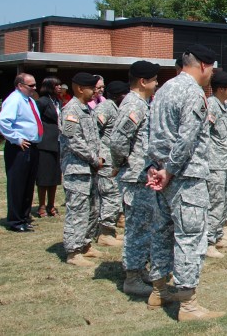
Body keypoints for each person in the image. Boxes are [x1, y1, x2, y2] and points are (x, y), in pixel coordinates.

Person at [146, 44, 225, 321]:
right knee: (190, 239)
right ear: (203, 65)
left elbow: (151, 133)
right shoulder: (192, 92)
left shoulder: (164, 89)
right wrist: (168, 169)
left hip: (161, 177)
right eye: (212, 68)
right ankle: (188, 305)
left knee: (161, 233)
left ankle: (158, 291)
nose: (212, 73)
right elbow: (187, 139)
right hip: (185, 178)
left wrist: (153, 168)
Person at [110, 60, 160, 297]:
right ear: (143, 81)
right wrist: (124, 163)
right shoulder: (134, 105)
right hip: (135, 178)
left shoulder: (142, 104)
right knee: (137, 228)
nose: (157, 83)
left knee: (146, 226)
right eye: (154, 79)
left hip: (143, 176)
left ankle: (140, 270)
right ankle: (132, 276)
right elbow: (118, 141)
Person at [60, 72, 104, 267]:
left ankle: (85, 243)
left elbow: (95, 137)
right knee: (77, 210)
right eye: (91, 88)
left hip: (90, 169)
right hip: (77, 169)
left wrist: (99, 157)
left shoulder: (87, 109)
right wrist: (95, 159)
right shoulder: (71, 110)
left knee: (92, 209)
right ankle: (73, 251)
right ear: (79, 88)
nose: (95, 92)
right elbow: (74, 142)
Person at [0, 73, 43, 232]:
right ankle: (15, 220)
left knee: (28, 184)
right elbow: (2, 121)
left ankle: (24, 217)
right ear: (20, 85)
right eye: (31, 85)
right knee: (17, 184)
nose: (34, 88)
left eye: (35, 85)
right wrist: (16, 139)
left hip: (32, 146)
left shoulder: (29, 100)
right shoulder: (15, 99)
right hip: (19, 148)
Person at [206, 71, 227, 259]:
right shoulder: (211, 106)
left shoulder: (222, 106)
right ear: (220, 89)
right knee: (215, 203)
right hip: (215, 164)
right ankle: (208, 242)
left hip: (225, 162)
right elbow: (205, 135)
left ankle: (218, 235)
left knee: (223, 201)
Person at [94, 80, 130, 247]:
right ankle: (105, 233)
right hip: (106, 160)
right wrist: (99, 154)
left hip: (114, 160)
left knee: (115, 195)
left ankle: (112, 228)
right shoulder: (105, 108)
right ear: (118, 96)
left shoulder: (117, 108)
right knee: (110, 196)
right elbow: (94, 131)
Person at [35, 76, 62, 218]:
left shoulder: (58, 101)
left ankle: (52, 204)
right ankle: (42, 206)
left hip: (57, 143)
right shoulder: (42, 102)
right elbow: (35, 120)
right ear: (49, 86)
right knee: (44, 177)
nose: (59, 87)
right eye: (56, 85)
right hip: (45, 143)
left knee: (54, 177)